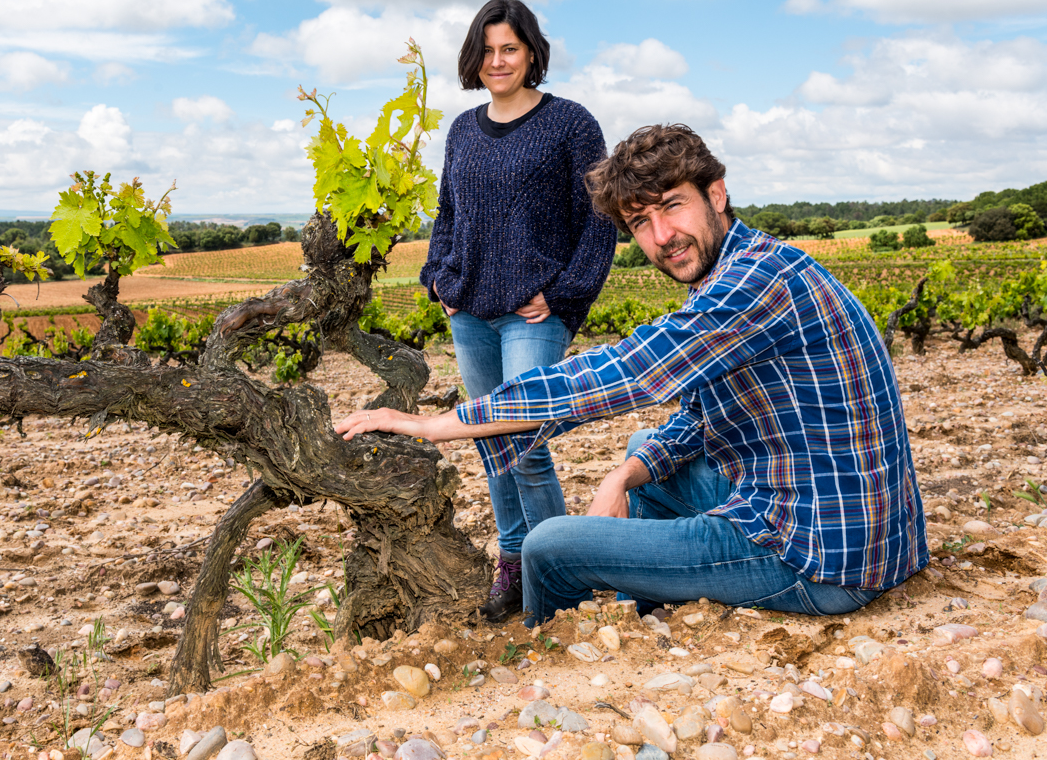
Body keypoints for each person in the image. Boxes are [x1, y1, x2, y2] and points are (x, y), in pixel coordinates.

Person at [340, 124, 928, 625]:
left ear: (716, 194)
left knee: (548, 547)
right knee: (644, 449)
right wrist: (620, 478)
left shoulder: (752, 286)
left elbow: (629, 371)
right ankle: (638, 605)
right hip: (844, 523)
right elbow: (697, 416)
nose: (660, 236)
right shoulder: (752, 264)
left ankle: (554, 648)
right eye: (640, 222)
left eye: (671, 205)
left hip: (815, 555)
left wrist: (443, 424)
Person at [417, 0, 616, 623]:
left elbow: (599, 219)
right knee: (488, 442)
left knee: (525, 442)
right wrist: (439, 280)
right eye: (488, 50)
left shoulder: (570, 124)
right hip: (470, 311)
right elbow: (449, 214)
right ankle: (512, 563)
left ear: (531, 53)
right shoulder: (462, 130)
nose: (498, 61)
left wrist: (562, 294)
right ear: (473, 58)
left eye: (510, 48)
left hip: (535, 313)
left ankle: (563, 570)